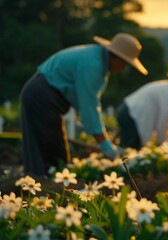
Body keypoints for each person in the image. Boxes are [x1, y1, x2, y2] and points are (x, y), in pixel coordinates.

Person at [20, 32, 148, 176]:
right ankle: (43, 188)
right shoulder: (93, 66)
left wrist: (83, 124)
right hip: (42, 96)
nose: (124, 68)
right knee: (51, 155)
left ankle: (41, 182)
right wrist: (106, 146)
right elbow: (90, 108)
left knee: (44, 150)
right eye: (125, 63)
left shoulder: (96, 58)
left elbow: (79, 96)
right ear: (116, 57)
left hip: (40, 93)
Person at [116, 72, 168, 149]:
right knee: (130, 152)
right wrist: (165, 147)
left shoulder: (165, 87)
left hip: (127, 110)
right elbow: (163, 126)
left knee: (126, 148)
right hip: (133, 117)